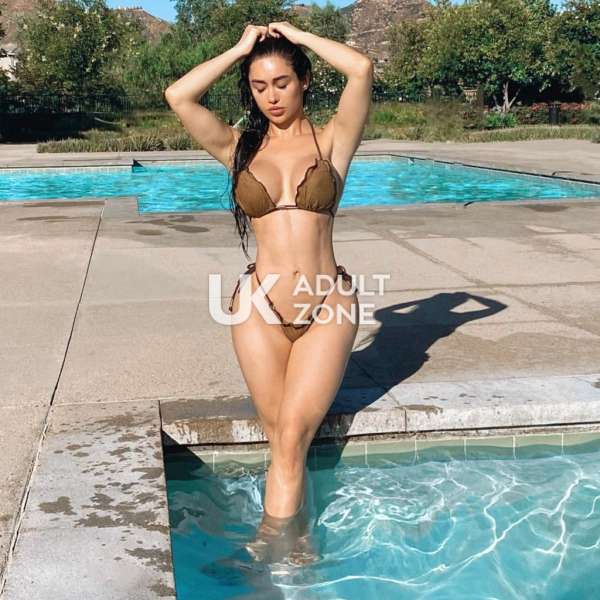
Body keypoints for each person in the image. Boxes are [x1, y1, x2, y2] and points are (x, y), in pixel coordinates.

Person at [165, 21, 373, 562]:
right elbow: (179, 96)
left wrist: (299, 37)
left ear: (304, 81)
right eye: (259, 86)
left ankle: (270, 541)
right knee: (279, 431)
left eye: (282, 82)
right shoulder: (239, 147)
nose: (271, 96)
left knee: (291, 434)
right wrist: (239, 49)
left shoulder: (333, 140)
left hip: (326, 302)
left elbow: (360, 68)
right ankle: (297, 540)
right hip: (257, 305)